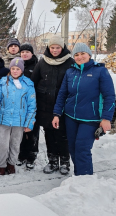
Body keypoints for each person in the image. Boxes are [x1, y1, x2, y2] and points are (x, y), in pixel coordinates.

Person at [52, 43, 115, 176]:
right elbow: (62, 94)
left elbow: (109, 96)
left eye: (82, 54)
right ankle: (79, 177)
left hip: (90, 118)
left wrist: (106, 118)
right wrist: (57, 114)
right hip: (71, 117)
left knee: (82, 149)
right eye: (76, 55)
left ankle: (86, 180)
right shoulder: (70, 72)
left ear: (89, 55)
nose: (80, 57)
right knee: (73, 149)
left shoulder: (100, 71)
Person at [31, 35, 74, 175]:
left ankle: (65, 162)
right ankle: (53, 161)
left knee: (62, 135)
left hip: (63, 107)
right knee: (49, 135)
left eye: (58, 47)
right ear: (48, 48)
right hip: (45, 107)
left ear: (62, 48)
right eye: (52, 47)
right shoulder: (43, 62)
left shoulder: (70, 63)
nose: (55, 50)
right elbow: (33, 82)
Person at [0, 57, 36, 176]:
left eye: (17, 69)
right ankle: (1, 166)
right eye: (13, 68)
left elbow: (32, 106)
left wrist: (29, 123)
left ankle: (11, 164)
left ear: (21, 70)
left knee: (15, 144)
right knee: (2, 144)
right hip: (4, 119)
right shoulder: (2, 82)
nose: (15, 71)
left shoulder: (28, 84)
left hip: (19, 121)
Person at [16, 43, 40, 170]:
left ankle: (31, 156)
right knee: (21, 131)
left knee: (32, 131)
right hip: (19, 105)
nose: (25, 54)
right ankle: (22, 155)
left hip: (32, 104)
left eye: (27, 51)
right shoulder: (17, 64)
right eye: (22, 51)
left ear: (32, 53)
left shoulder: (37, 66)